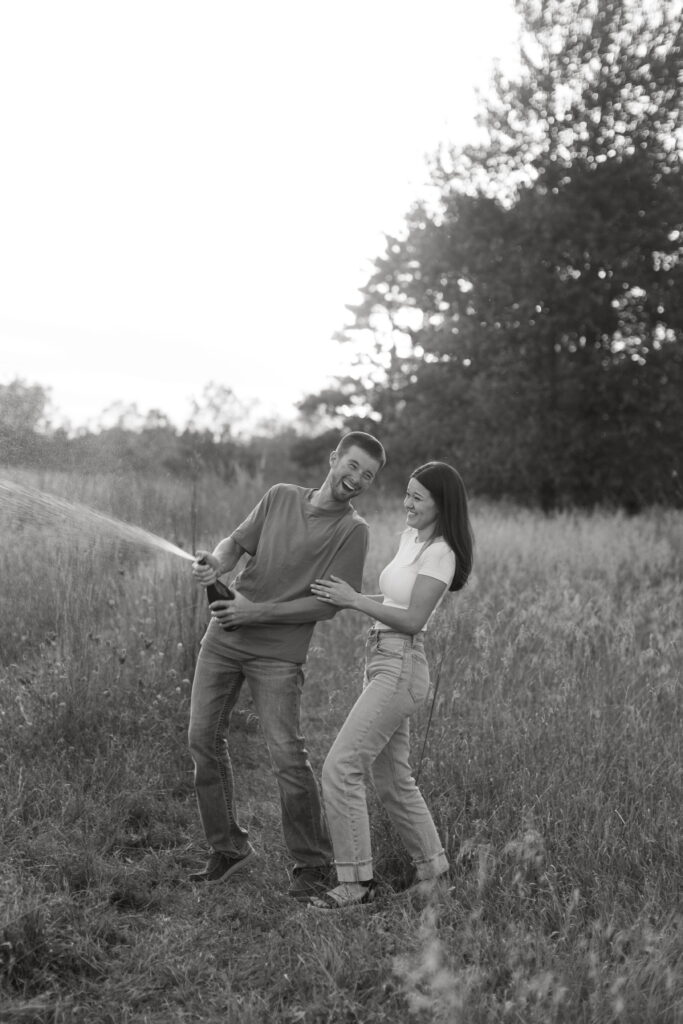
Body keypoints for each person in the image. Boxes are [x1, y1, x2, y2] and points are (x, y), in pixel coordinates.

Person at [187, 431, 386, 900]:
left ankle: (312, 863)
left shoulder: (352, 531)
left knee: (286, 757)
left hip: (278, 653)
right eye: (352, 466)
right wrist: (214, 562)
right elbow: (235, 544)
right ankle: (229, 848)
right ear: (334, 458)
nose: (355, 479)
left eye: (367, 476)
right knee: (202, 738)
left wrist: (257, 612)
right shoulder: (279, 497)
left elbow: (327, 605)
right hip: (225, 635)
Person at [308, 461, 473, 909]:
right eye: (408, 493)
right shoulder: (410, 540)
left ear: (442, 504)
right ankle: (434, 875)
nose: (407, 503)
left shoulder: (441, 551)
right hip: (380, 657)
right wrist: (349, 597)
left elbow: (415, 619)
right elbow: (397, 600)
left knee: (340, 767)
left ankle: (355, 884)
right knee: (393, 780)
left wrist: (356, 601)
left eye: (418, 497)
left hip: (401, 663)